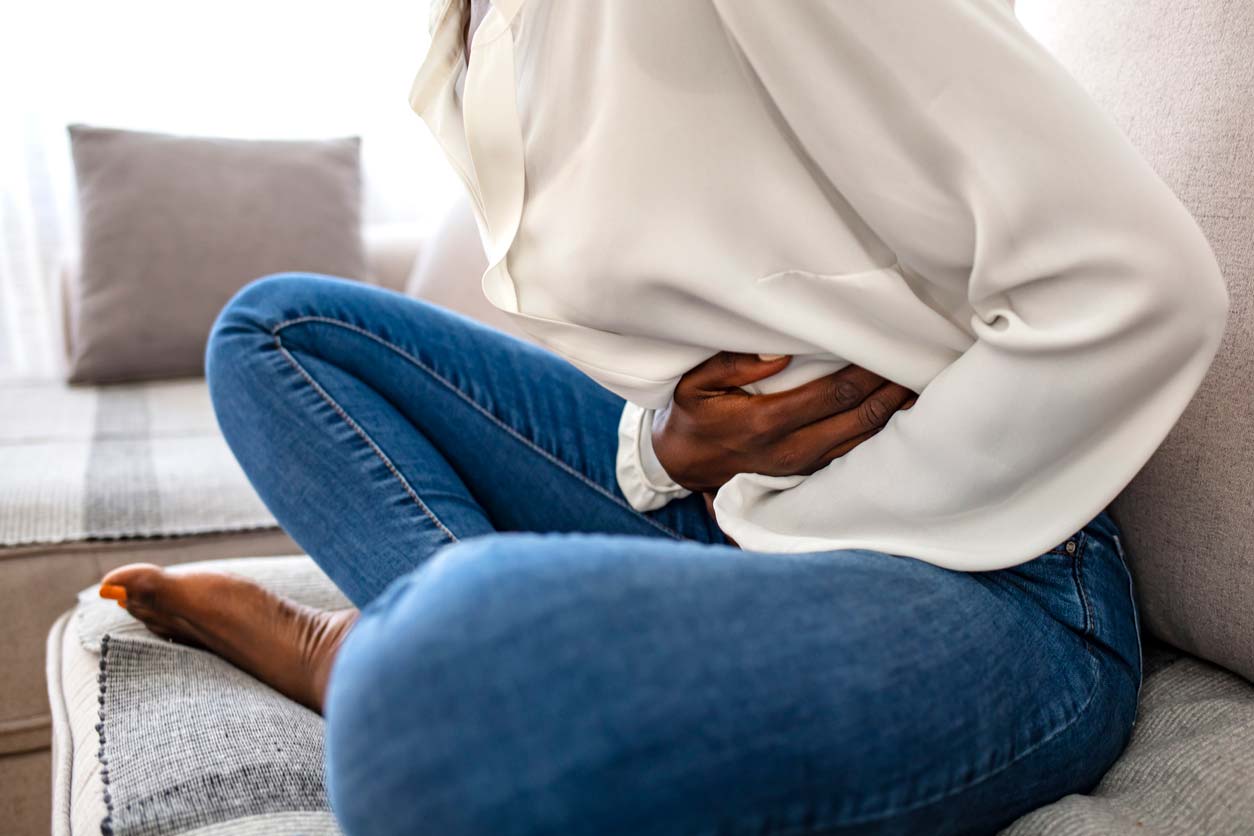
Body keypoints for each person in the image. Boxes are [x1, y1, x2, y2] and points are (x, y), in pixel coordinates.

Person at [99, 1, 1229, 834]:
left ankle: (381, 653)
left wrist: (807, 515)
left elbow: (1138, 282)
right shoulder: (476, 38)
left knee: (434, 693)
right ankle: (455, 647)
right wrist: (661, 451)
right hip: (739, 511)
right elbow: (712, 340)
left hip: (997, 581)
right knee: (273, 337)